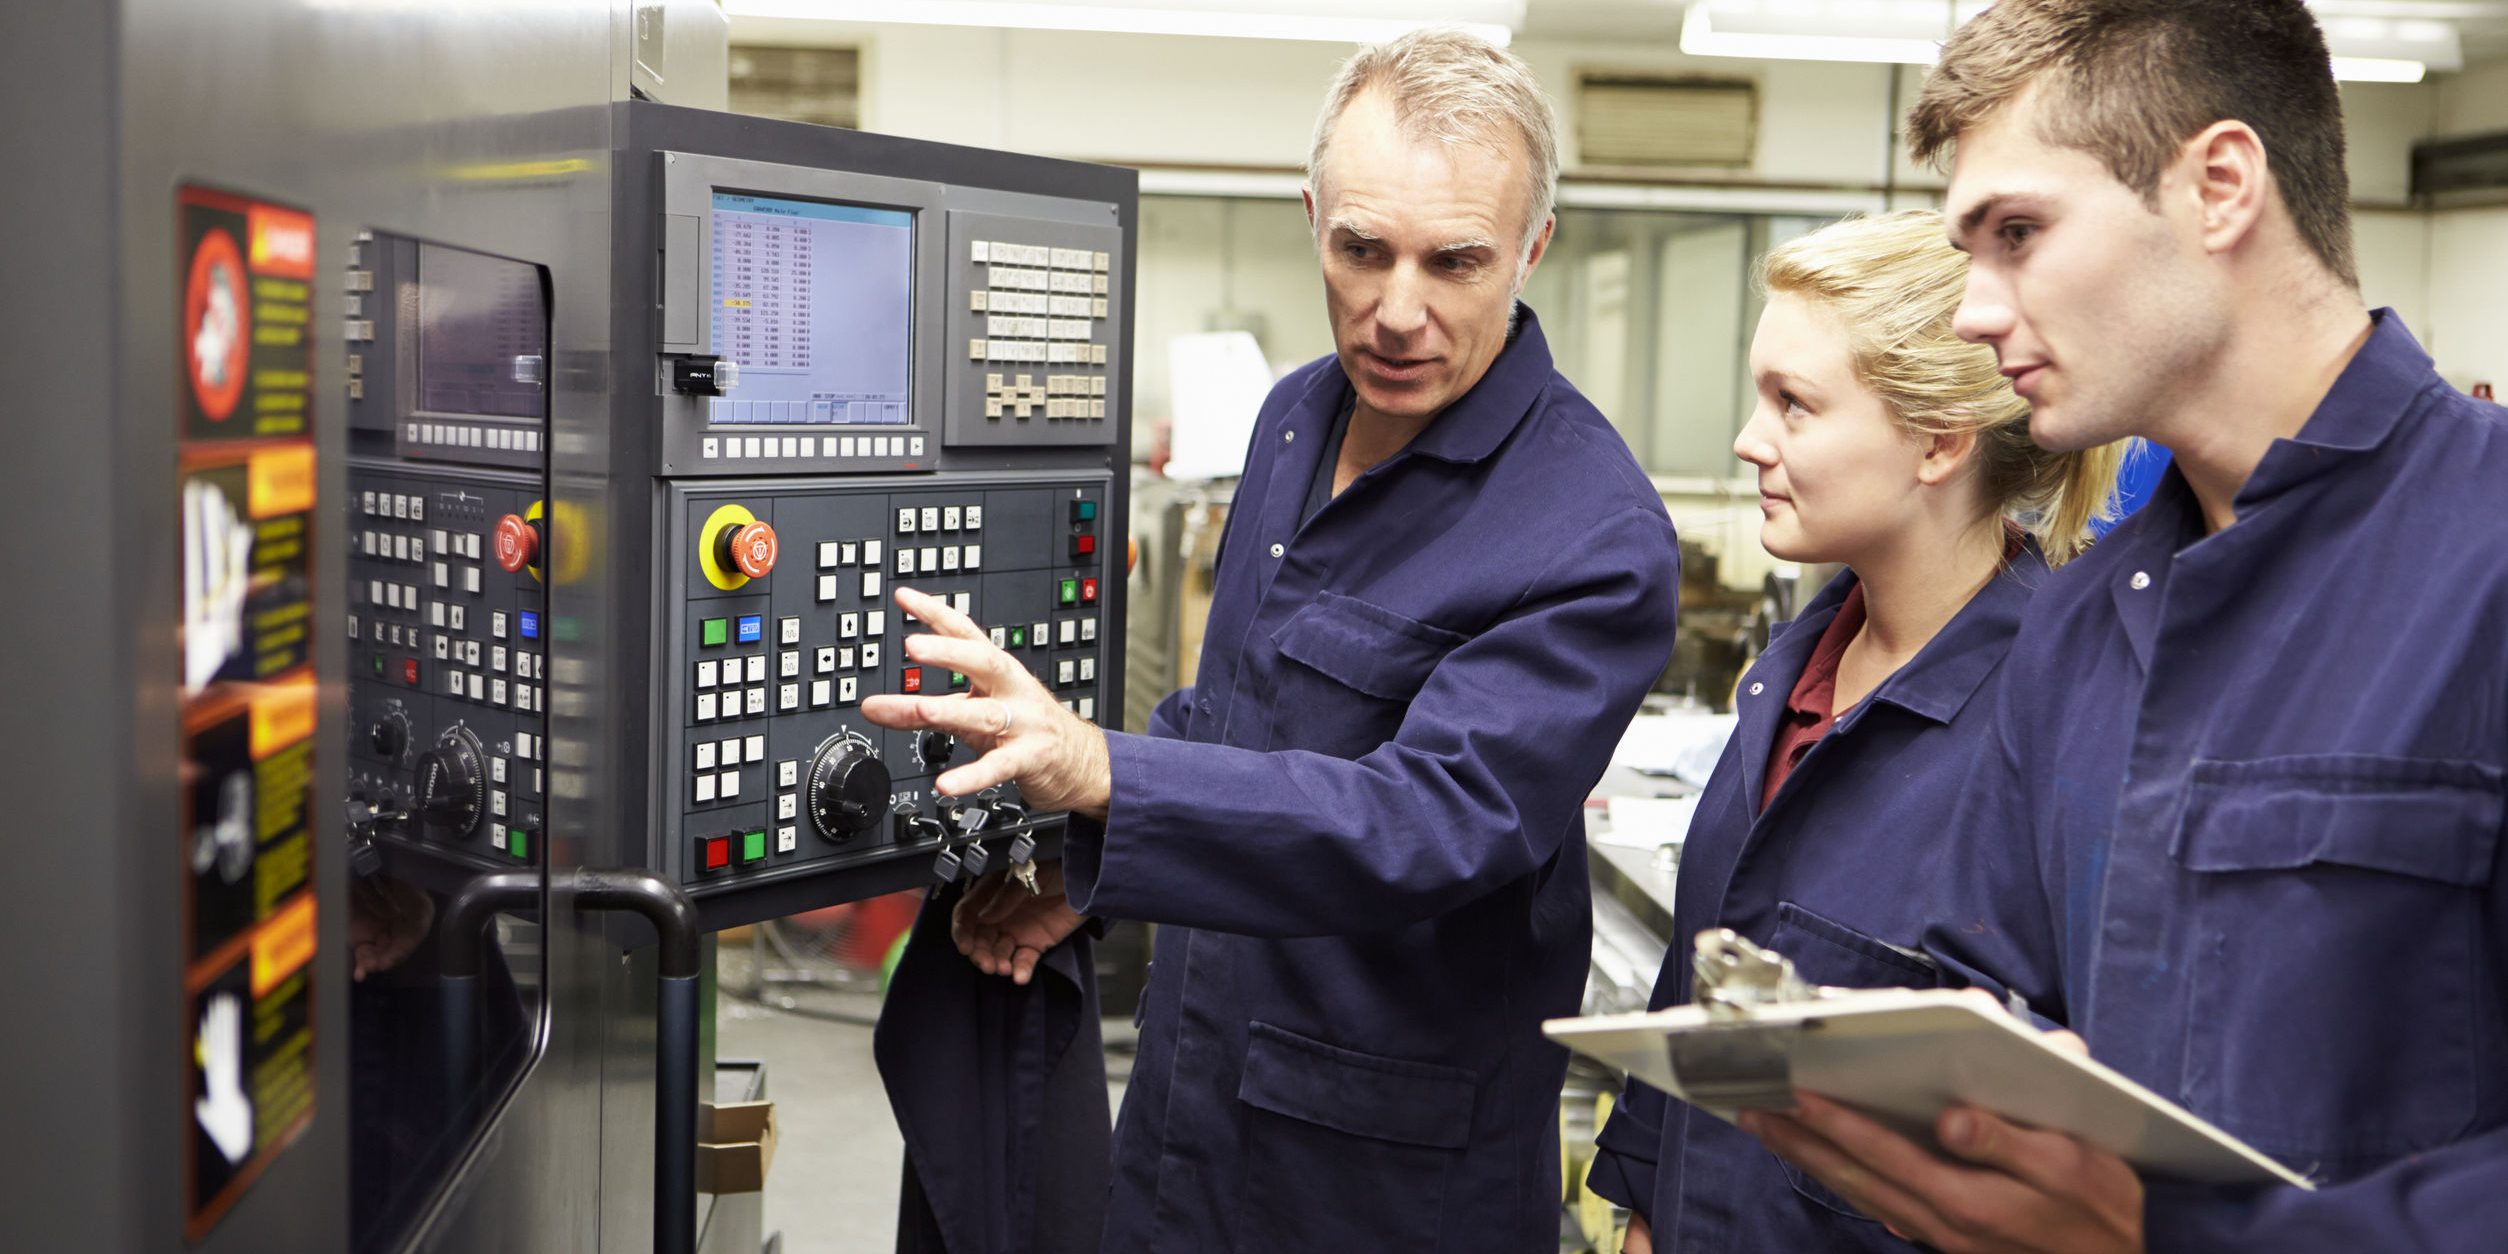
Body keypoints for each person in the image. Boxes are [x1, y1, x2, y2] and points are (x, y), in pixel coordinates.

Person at [864, 27, 1682, 1253]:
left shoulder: (1593, 533)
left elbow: (1425, 822)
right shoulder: (1298, 419)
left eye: (1453, 262)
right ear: (1313, 220)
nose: (1396, 311)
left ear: (1532, 249)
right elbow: (1232, 714)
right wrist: (1086, 877)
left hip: (1385, 1175)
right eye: (1361, 250)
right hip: (1193, 1103)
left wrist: (1098, 770)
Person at [1738, 3, 2508, 1251]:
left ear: (2218, 186)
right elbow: (2000, 1004)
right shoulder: (2080, 624)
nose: (1977, 314)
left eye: (2020, 235)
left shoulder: (2485, 552)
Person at [1584, 209, 2121, 1253]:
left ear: (1937, 439)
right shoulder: (1787, 682)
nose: (1750, 439)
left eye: (1795, 405)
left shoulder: (2058, 726)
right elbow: (1695, 1034)